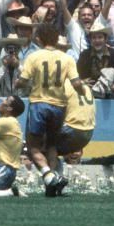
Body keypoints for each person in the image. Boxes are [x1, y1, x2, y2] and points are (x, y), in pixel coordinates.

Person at [15, 23, 84, 197]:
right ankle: (52, 184)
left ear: (38, 39)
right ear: (56, 39)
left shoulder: (34, 56)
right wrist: (83, 94)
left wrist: (17, 83)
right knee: (52, 144)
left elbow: (23, 80)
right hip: (59, 105)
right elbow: (76, 83)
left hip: (39, 103)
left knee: (33, 147)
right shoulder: (67, 58)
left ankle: (48, 174)